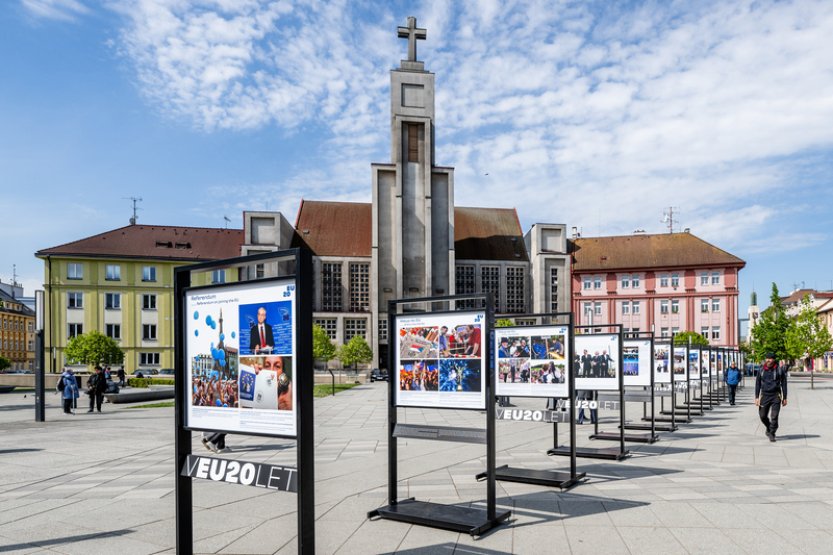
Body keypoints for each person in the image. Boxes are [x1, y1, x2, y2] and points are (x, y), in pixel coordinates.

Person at [755, 353, 788, 442]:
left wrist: (785, 397)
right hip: (764, 395)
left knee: (774, 416)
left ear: (774, 360)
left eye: (770, 359)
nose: (768, 360)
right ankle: (769, 427)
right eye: (767, 358)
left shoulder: (779, 370)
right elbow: (757, 383)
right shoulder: (761, 369)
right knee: (762, 416)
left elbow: (784, 383)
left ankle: (772, 433)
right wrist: (756, 397)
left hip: (775, 396)